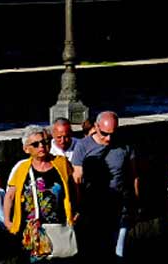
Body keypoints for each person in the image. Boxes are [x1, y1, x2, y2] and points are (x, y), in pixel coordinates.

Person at [70, 111, 136, 262]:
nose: (109, 138)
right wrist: (77, 207)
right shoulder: (83, 146)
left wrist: (134, 200)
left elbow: (133, 175)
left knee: (117, 250)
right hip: (92, 207)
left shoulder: (125, 145)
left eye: (113, 133)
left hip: (118, 205)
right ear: (96, 127)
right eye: (104, 134)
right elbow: (77, 179)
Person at [6, 124, 76, 261]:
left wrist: (76, 212)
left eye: (45, 142)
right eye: (36, 144)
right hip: (31, 232)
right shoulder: (21, 168)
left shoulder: (61, 163)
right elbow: (10, 195)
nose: (42, 146)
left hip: (58, 226)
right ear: (26, 149)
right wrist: (8, 221)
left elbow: (73, 188)